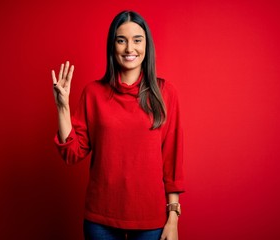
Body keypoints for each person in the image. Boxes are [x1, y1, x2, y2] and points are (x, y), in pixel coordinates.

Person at [51, 10, 184, 240]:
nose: (129, 48)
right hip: (100, 220)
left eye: (137, 40)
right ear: (112, 47)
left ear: (147, 46)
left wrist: (173, 217)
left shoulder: (165, 94)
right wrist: (62, 107)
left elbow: (172, 160)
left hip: (149, 220)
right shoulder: (93, 93)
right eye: (121, 40)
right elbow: (72, 153)